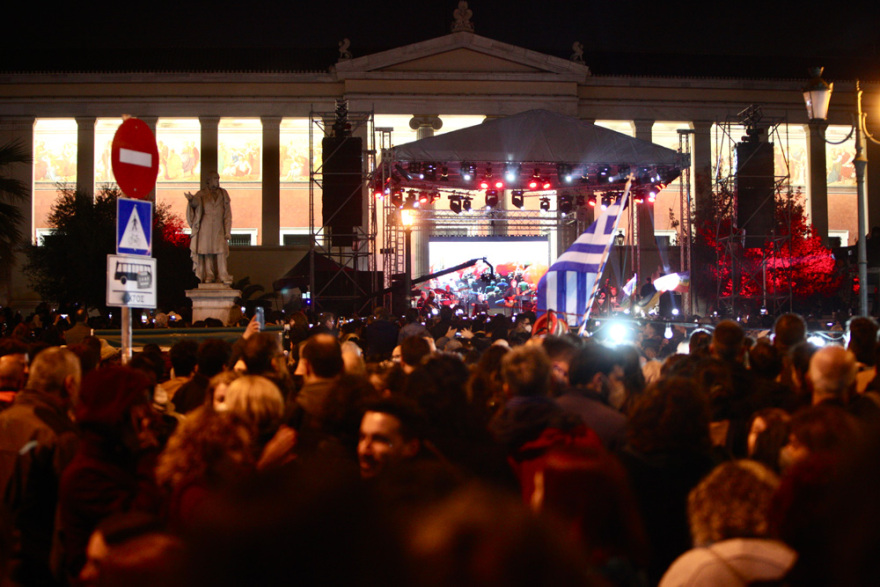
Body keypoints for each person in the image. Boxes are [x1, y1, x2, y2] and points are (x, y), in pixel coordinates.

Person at [184, 172, 232, 284]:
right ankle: (209, 275)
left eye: (218, 178)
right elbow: (196, 204)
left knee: (221, 251)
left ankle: (223, 274)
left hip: (219, 227)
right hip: (205, 227)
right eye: (215, 178)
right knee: (207, 251)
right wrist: (191, 200)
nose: (217, 181)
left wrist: (227, 230)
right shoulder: (201, 194)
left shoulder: (223, 193)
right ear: (208, 181)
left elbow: (228, 214)